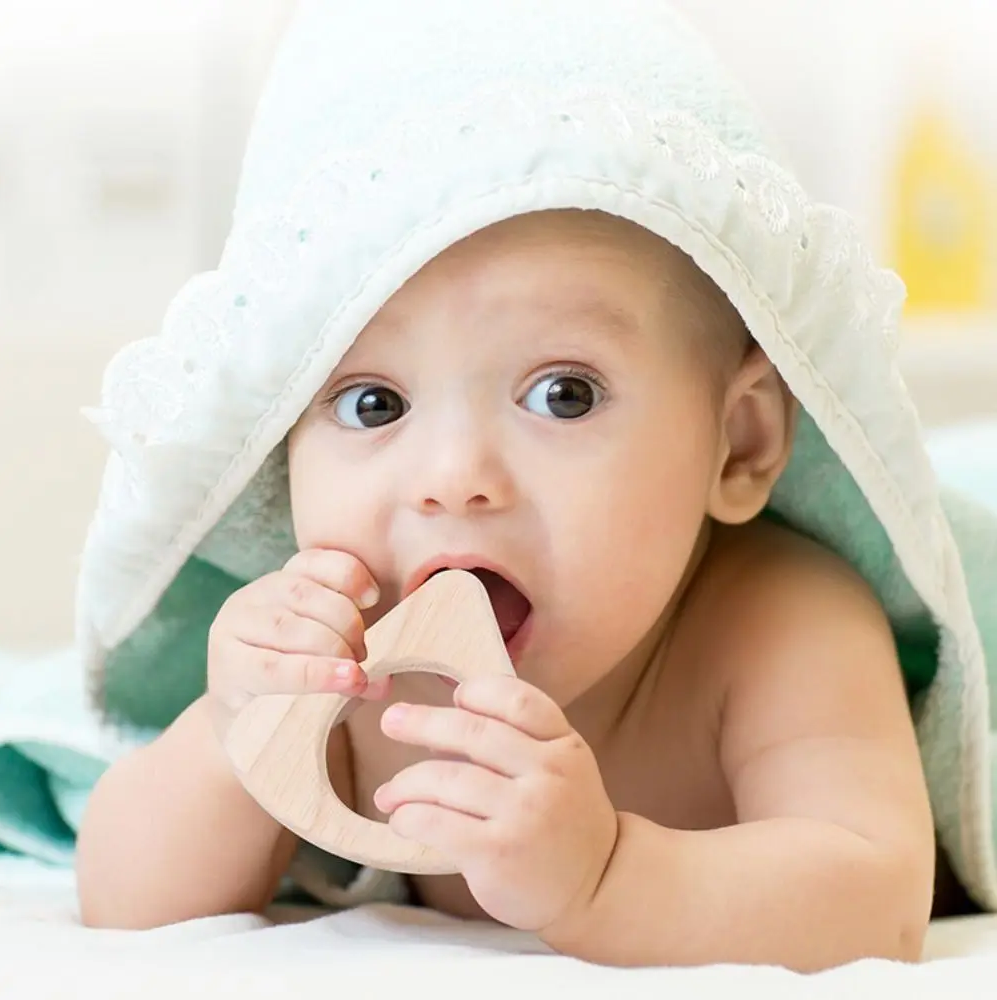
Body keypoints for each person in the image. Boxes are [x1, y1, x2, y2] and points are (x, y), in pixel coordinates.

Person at [70, 0, 987, 974]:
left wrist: (605, 875)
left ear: (739, 443)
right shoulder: (348, 667)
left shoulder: (777, 621)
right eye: (374, 404)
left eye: (562, 394)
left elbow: (874, 896)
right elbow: (131, 902)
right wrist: (233, 731)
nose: (454, 479)